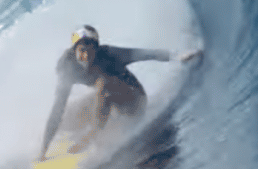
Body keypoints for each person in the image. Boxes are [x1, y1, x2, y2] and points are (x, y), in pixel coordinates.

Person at [37, 25, 201, 161]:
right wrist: (43, 150)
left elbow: (145, 54)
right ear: (74, 50)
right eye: (82, 50)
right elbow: (58, 108)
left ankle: (92, 135)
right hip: (108, 104)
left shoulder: (110, 54)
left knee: (104, 84)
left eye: (91, 49)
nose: (87, 55)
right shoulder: (67, 66)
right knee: (67, 116)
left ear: (97, 48)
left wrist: (177, 56)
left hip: (132, 101)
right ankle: (61, 141)